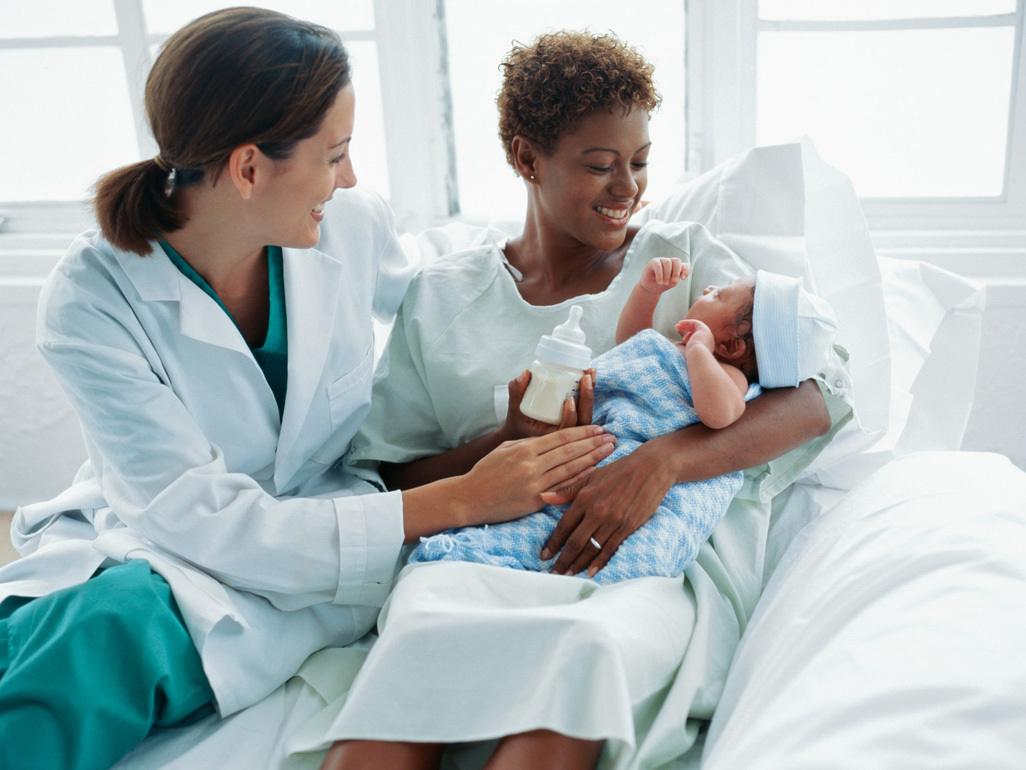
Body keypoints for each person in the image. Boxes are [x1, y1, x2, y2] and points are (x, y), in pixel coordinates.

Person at [0, 11, 614, 770]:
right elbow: (200, 519)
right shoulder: (92, 298)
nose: (349, 178)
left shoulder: (346, 225)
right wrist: (461, 498)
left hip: (312, 540)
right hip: (174, 539)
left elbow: (449, 285)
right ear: (250, 168)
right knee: (87, 630)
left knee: (99, 639)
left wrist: (565, 233)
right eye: (335, 155)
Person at [311, 30, 852, 770]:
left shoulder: (686, 260)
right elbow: (389, 482)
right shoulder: (441, 299)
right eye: (600, 166)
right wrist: (507, 443)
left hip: (642, 571)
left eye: (639, 163)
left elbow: (820, 397)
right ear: (526, 158)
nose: (627, 188)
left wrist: (662, 462)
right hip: (476, 559)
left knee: (585, 656)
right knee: (417, 653)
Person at [406, 258, 839, 584]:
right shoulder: (678, 349)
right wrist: (648, 292)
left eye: (720, 295)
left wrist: (700, 352)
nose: (709, 287)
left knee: (566, 532)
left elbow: (720, 414)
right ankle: (489, 558)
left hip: (647, 477)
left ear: (731, 347)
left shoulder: (726, 377)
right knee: (540, 517)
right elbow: (634, 342)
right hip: (600, 447)